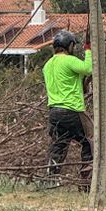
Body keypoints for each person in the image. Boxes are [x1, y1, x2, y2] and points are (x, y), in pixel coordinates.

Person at [42, 28, 93, 187]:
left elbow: (70, 80)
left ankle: (50, 180)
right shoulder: (69, 60)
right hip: (72, 110)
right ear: (69, 46)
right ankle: (87, 181)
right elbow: (88, 68)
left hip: (54, 112)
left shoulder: (48, 65)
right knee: (90, 141)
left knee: (58, 145)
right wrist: (88, 50)